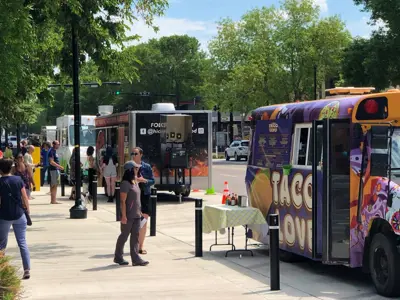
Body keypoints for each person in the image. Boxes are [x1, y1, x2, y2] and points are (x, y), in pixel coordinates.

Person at [114, 161, 149, 267]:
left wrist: (140, 211)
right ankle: (118, 256)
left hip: (137, 214)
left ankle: (136, 258)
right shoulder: (125, 183)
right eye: (135, 169)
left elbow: (137, 199)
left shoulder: (135, 182)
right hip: (128, 215)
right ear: (130, 170)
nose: (137, 170)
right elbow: (123, 201)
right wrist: (123, 216)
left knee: (135, 236)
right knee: (124, 236)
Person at [0, 159, 31, 279]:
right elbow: (24, 196)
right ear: (11, 168)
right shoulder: (18, 180)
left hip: (4, 215)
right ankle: (27, 269)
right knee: (22, 242)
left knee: (1, 244)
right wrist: (27, 210)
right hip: (19, 214)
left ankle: (2, 269)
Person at [131, 147, 155, 255]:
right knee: (134, 222)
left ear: (141, 154)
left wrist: (143, 180)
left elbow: (152, 180)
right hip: (133, 196)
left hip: (144, 195)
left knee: (144, 221)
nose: (133, 155)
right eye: (132, 153)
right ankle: (134, 245)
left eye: (135, 153)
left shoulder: (147, 167)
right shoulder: (129, 166)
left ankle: (141, 246)